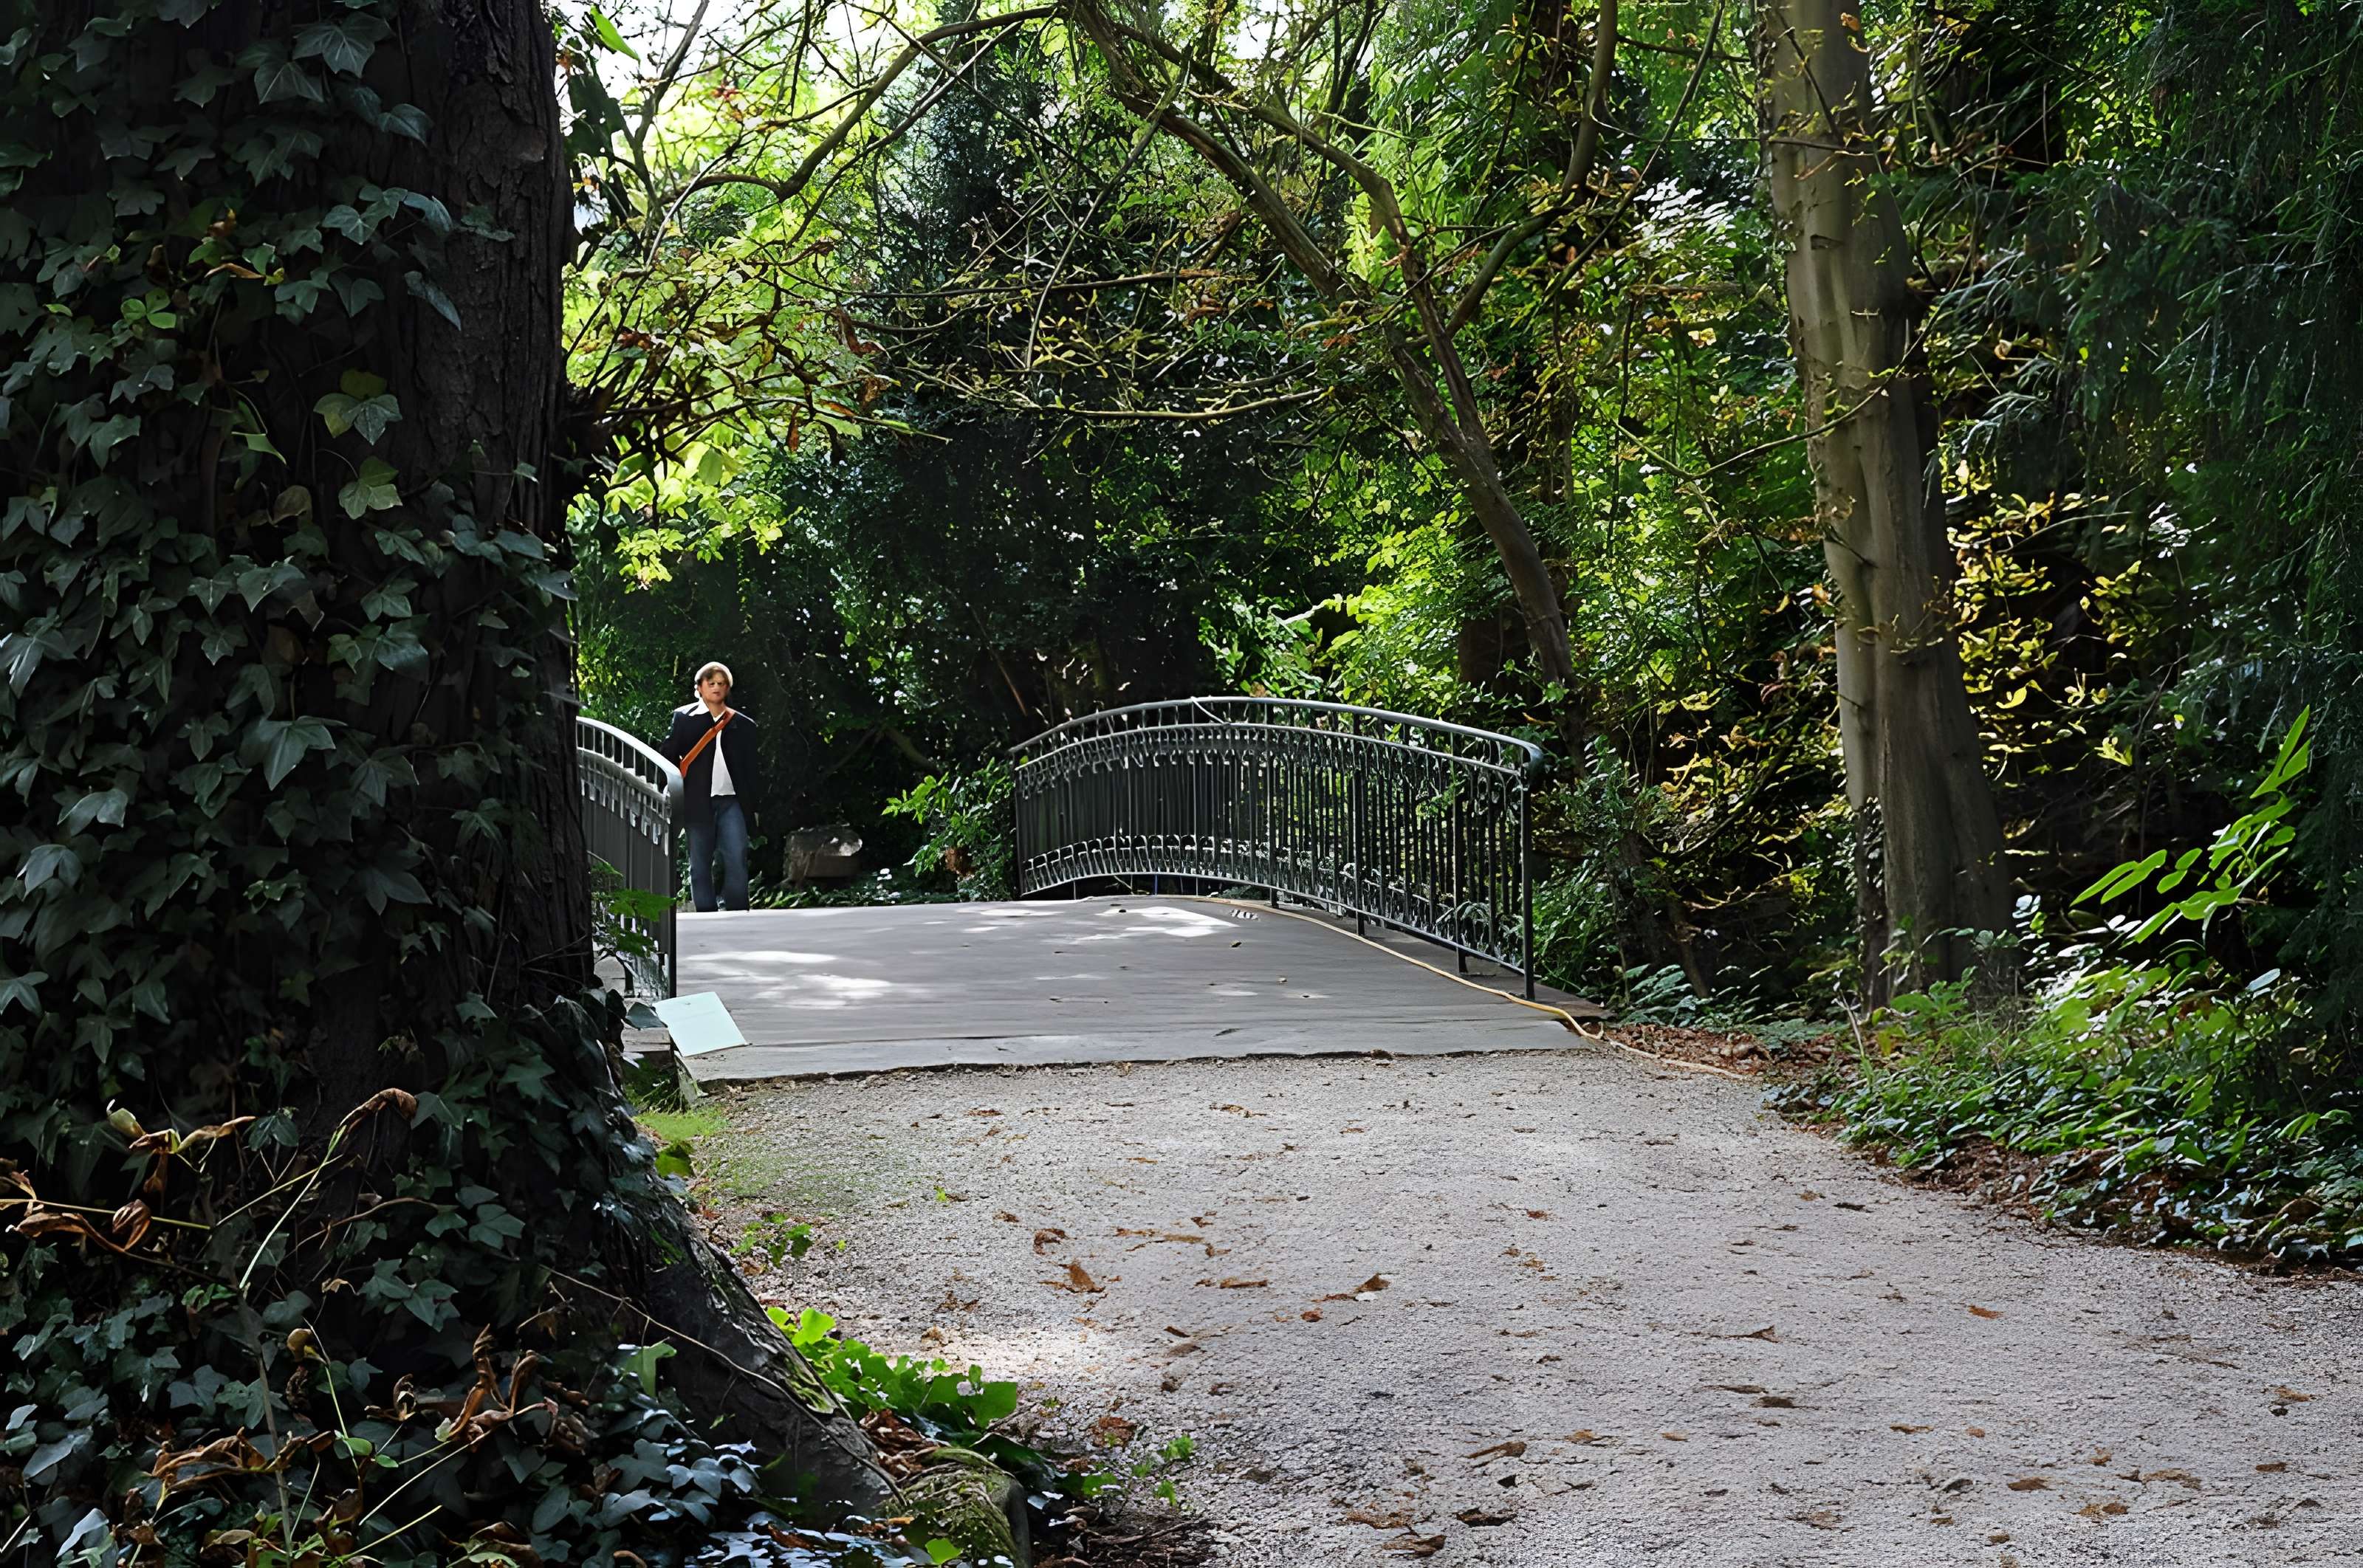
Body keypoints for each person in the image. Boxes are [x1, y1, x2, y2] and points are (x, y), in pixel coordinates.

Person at [660, 661, 759, 912]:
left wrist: (755, 804)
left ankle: (737, 911)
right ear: (700, 688)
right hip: (697, 801)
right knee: (699, 864)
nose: (716, 688)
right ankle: (706, 915)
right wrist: (669, 790)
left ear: (728, 688)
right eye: (711, 683)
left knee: (736, 857)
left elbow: (752, 770)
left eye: (721, 683)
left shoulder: (742, 724)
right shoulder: (684, 719)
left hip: (732, 801)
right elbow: (669, 756)